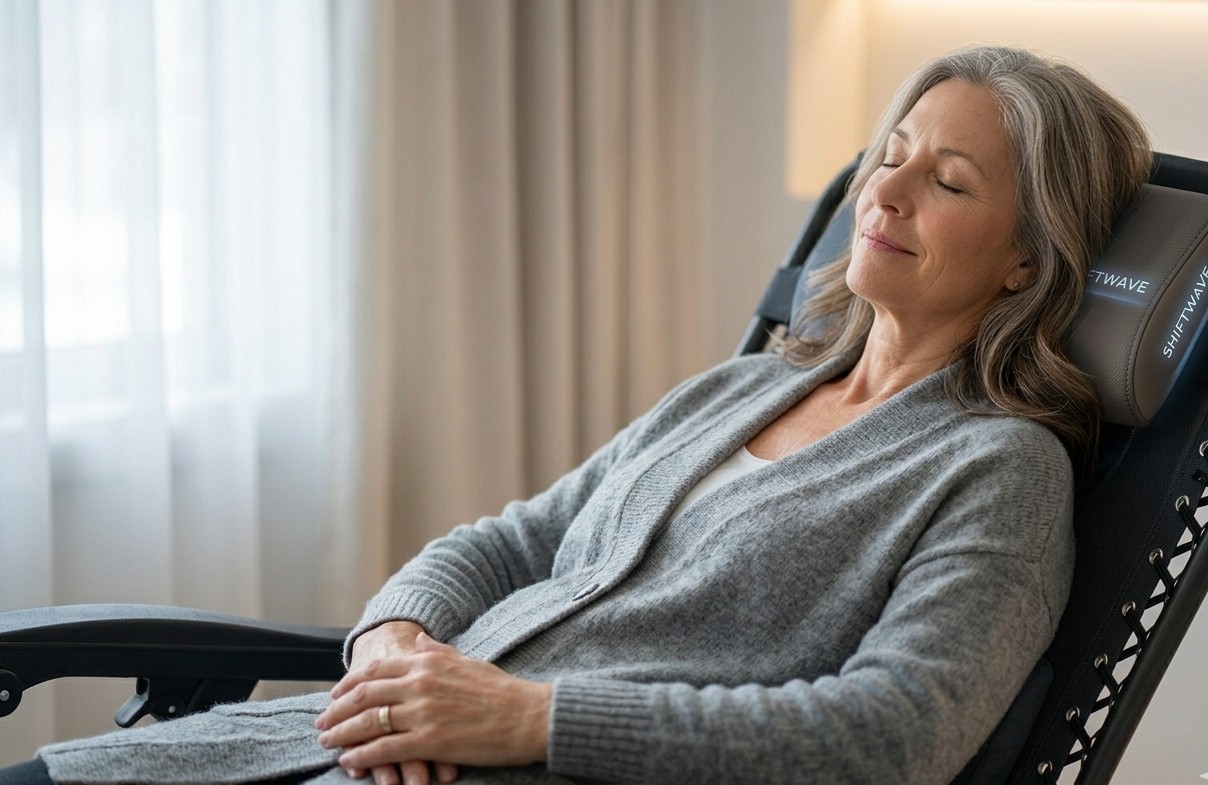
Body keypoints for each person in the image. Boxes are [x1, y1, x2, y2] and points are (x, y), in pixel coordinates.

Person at [2, 44, 1152, 785]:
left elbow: (894, 730)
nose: (883, 193)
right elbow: (514, 540)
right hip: (379, 740)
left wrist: (527, 719)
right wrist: (398, 639)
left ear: (1023, 260)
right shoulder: (746, 386)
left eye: (945, 182)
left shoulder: (995, 469)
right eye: (887, 157)